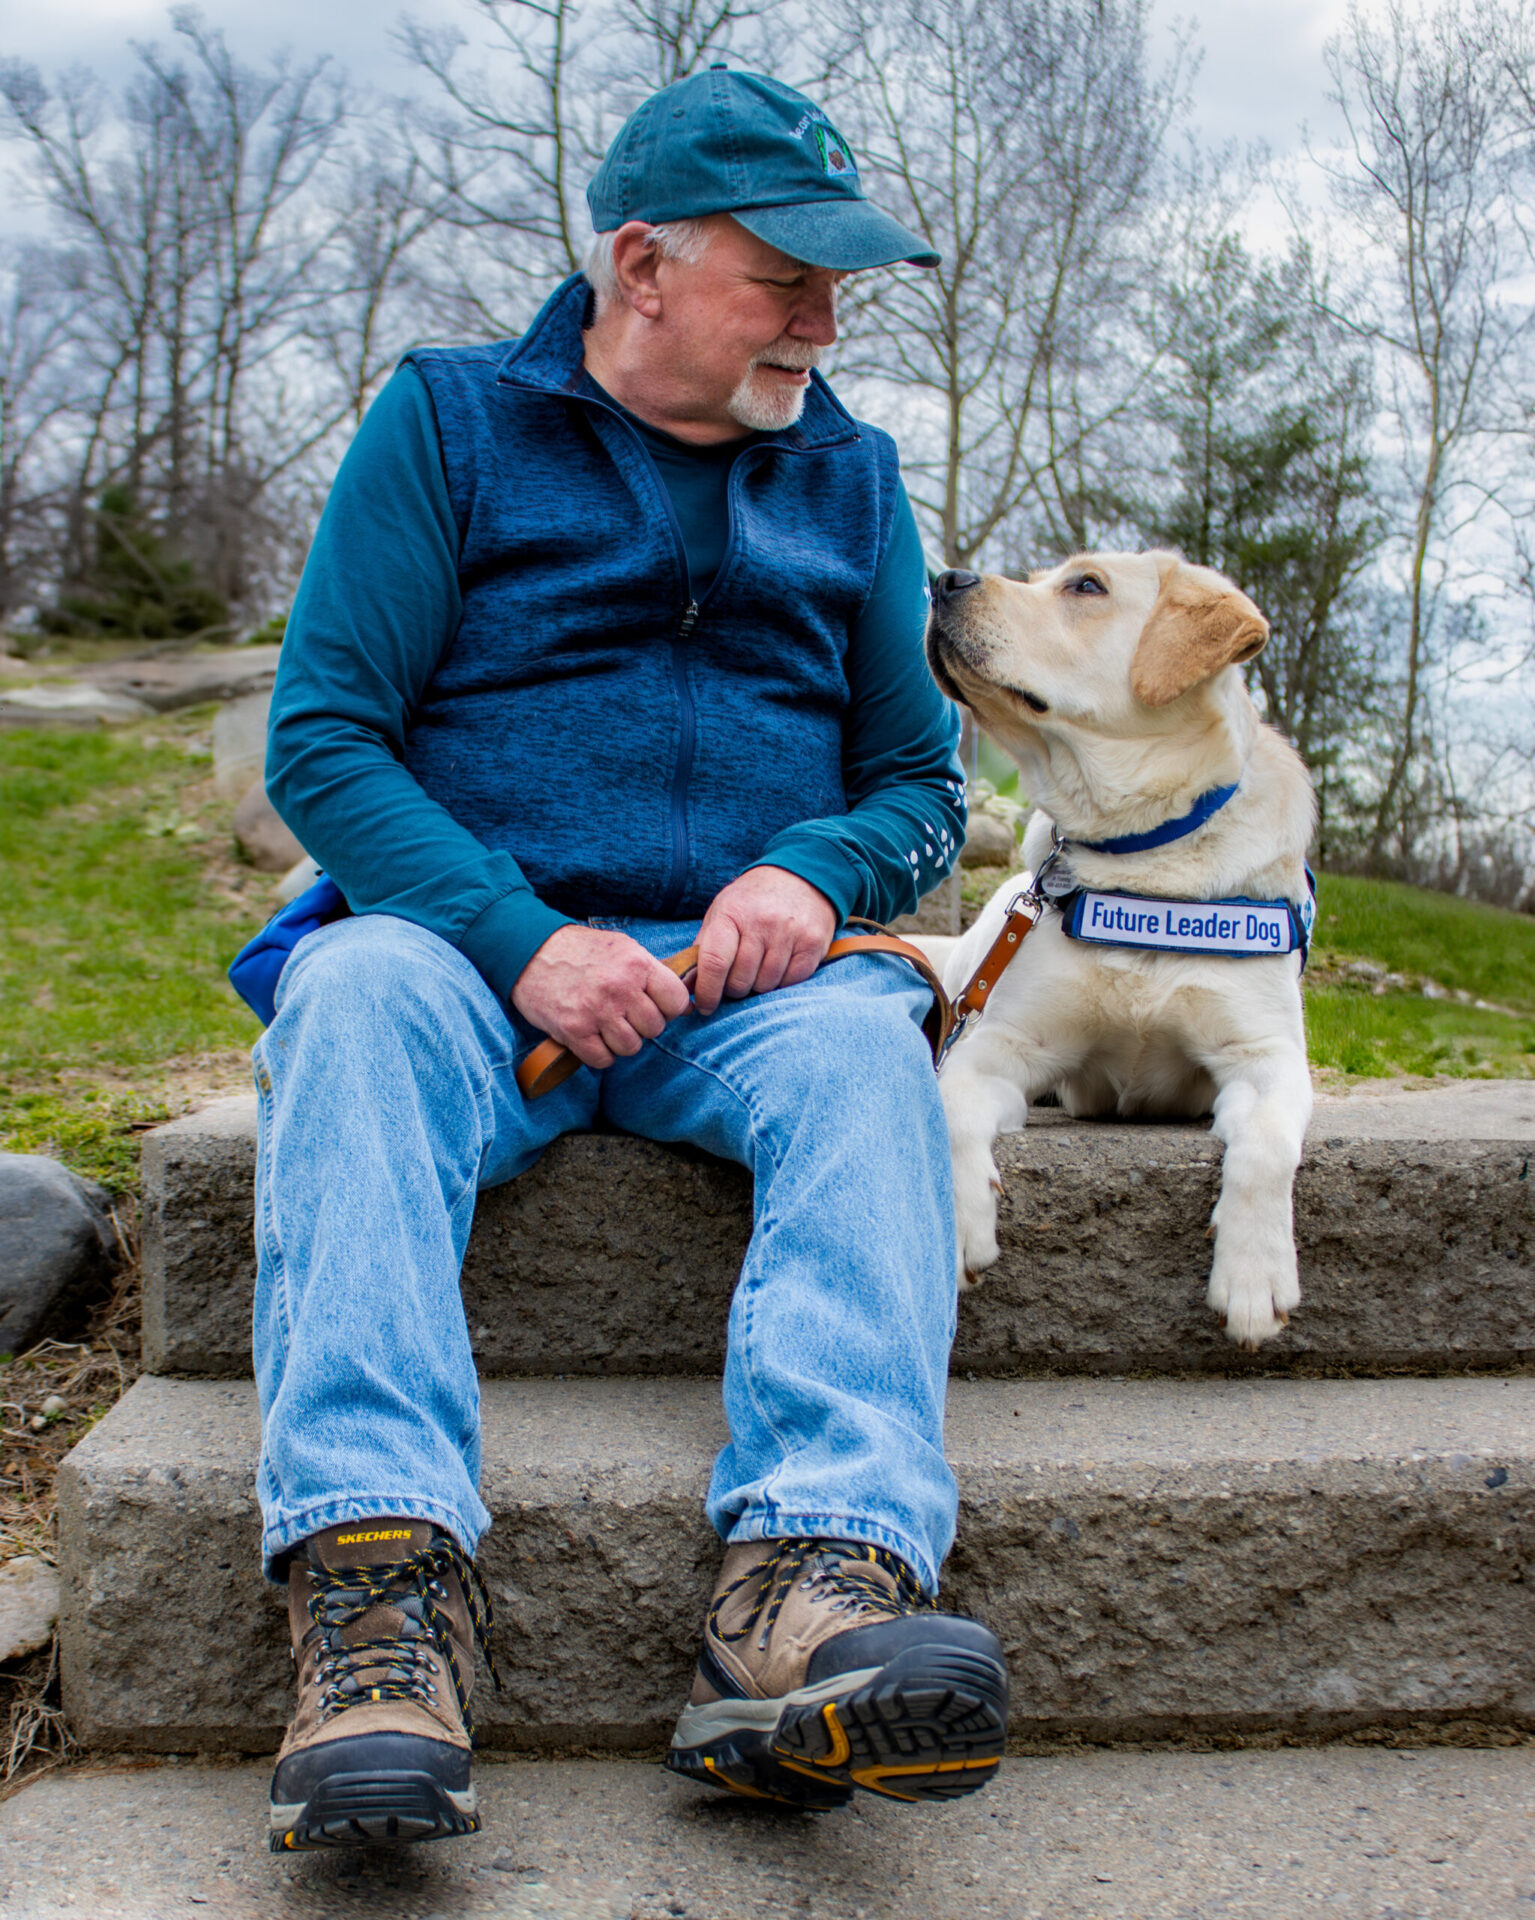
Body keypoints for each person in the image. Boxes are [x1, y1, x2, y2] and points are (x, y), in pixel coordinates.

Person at [254, 65, 1007, 1854]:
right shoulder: (445, 424)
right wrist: (519, 940)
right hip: (459, 964)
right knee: (346, 997)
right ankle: (377, 1608)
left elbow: (919, 784)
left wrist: (816, 882)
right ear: (643, 265)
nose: (827, 319)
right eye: (786, 278)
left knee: (857, 1052)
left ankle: (809, 1589)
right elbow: (327, 745)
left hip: (748, 998)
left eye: (843, 285)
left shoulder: (855, 474)